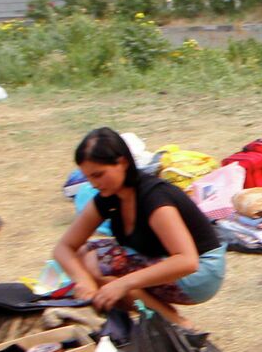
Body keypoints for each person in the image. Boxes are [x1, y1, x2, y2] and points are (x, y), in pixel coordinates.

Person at [52, 127, 227, 323]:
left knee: (98, 263)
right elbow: (64, 247)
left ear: (123, 163)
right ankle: (160, 317)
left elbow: (187, 261)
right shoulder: (109, 195)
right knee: (83, 257)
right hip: (170, 261)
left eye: (99, 175)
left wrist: (123, 284)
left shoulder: (154, 198)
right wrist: (83, 281)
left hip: (202, 273)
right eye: (89, 177)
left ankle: (177, 324)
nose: (93, 183)